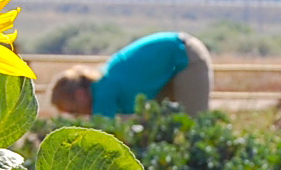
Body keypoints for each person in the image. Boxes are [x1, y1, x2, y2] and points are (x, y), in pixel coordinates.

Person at [49, 32, 213, 117]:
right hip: (168, 67)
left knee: (194, 126)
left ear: (80, 95)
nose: (78, 117)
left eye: (73, 112)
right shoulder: (103, 83)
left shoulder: (103, 92)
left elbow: (103, 135)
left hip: (184, 56)